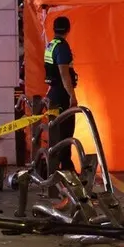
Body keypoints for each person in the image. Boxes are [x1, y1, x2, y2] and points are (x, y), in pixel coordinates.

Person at [43, 15, 79, 171]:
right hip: (61, 95)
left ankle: (54, 167)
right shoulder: (62, 47)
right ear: (68, 29)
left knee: (55, 133)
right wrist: (72, 95)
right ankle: (66, 168)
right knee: (65, 132)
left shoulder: (51, 45)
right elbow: (64, 74)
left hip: (52, 94)